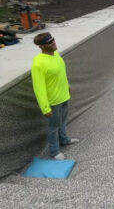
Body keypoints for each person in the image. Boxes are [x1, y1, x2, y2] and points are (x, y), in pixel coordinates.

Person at [31, 32, 79, 160]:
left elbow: (61, 73)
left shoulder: (57, 55)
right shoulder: (38, 64)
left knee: (62, 121)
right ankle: (54, 151)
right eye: (49, 43)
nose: (53, 43)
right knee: (54, 126)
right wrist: (45, 108)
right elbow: (38, 87)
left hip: (64, 96)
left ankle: (64, 140)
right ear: (41, 47)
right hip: (53, 101)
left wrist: (67, 86)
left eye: (53, 40)